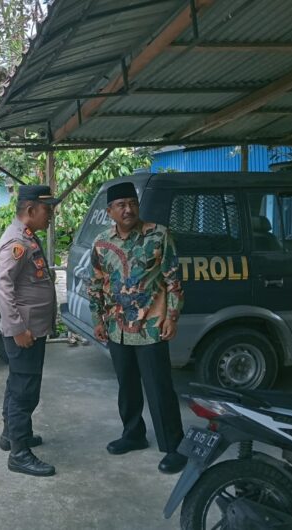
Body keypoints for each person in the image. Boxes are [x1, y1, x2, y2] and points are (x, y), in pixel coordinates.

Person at [88, 181, 187, 474]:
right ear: (110, 211)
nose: (128, 210)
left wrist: (171, 317)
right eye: (121, 205)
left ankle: (174, 446)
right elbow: (96, 284)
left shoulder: (159, 235)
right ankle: (133, 434)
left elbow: (174, 281)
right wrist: (98, 320)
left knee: (159, 389)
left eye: (132, 203)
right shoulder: (102, 243)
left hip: (151, 327)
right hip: (117, 327)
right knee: (127, 386)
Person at [0, 185, 59, 477]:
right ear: (31, 210)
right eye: (47, 209)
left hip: (33, 328)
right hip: (25, 331)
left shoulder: (28, 235)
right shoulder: (17, 241)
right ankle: (19, 454)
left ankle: (12, 434)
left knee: (18, 384)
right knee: (24, 391)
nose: (51, 214)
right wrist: (17, 328)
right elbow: (2, 286)